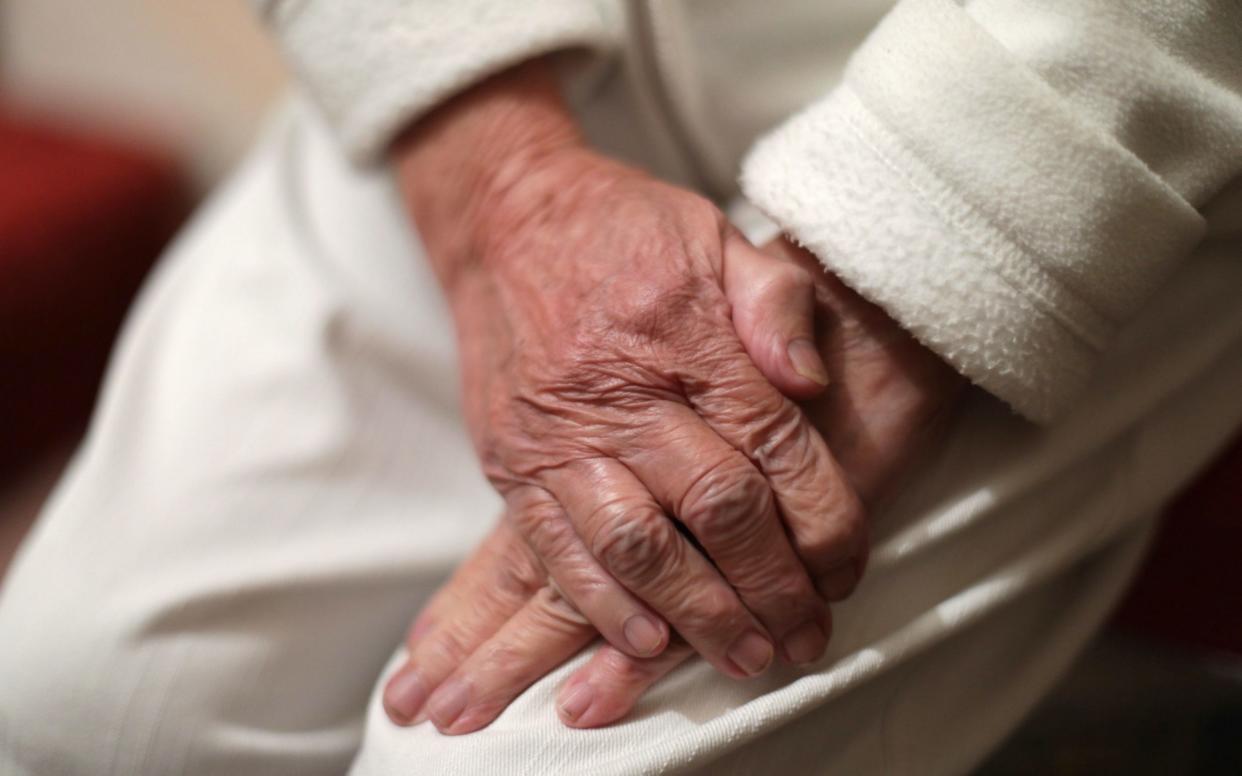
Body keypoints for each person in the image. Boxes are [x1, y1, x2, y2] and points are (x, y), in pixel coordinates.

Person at [2, 1, 1241, 774]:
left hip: (1032, 99)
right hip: (482, 61)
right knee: (85, 713)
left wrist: (922, 254)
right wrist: (497, 182)